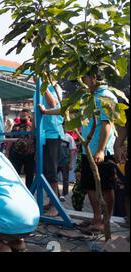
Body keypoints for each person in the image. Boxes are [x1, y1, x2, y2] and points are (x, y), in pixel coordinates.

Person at [40, 68, 118, 233]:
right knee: (90, 185)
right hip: (87, 149)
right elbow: (67, 109)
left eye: (84, 77)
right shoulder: (85, 97)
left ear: (94, 77)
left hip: (103, 151)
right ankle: (96, 220)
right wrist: (47, 112)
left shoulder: (107, 97)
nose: (82, 81)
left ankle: (106, 221)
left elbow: (107, 124)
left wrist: (101, 150)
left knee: (106, 187)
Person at [41, 83, 65, 216]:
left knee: (52, 170)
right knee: (44, 171)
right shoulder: (37, 90)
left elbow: (53, 104)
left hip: (52, 134)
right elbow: (35, 113)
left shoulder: (54, 87)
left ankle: (55, 206)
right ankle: (51, 202)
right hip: (42, 135)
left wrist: (43, 85)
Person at [8, 109, 35, 188]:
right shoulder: (16, 126)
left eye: (24, 115)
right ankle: (15, 189)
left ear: (29, 116)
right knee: (15, 173)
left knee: (29, 174)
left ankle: (30, 191)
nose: (21, 117)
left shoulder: (32, 126)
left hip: (29, 154)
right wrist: (7, 151)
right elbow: (11, 139)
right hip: (17, 153)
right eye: (21, 115)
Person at [57, 130, 76, 202]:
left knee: (65, 179)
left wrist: (71, 163)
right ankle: (56, 194)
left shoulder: (69, 138)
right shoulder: (56, 136)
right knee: (54, 179)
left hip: (65, 162)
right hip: (55, 162)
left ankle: (63, 195)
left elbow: (72, 151)